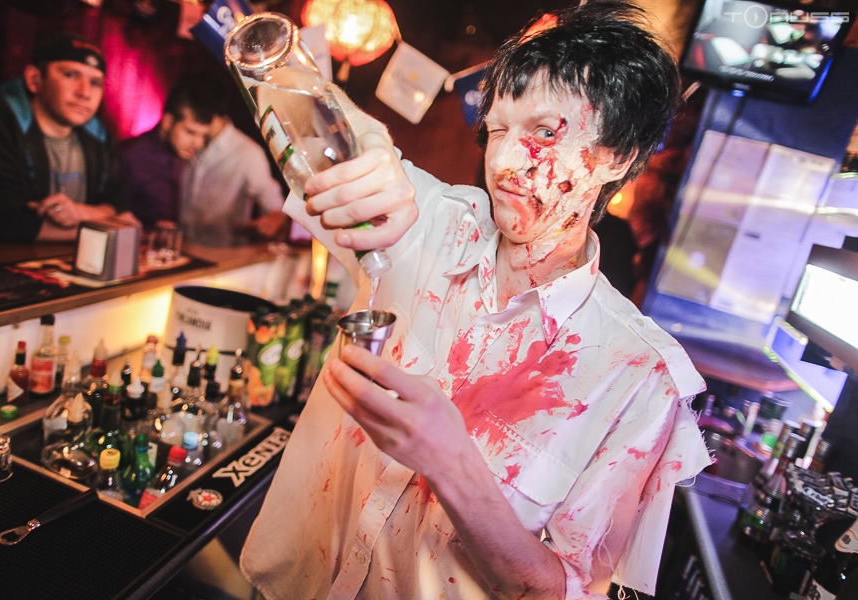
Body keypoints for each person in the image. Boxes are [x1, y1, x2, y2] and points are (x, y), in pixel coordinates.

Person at [240, 3, 711, 599]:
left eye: (544, 132)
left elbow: (567, 589)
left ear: (616, 154)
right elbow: (308, 117)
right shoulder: (428, 223)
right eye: (497, 130)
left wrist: (451, 464)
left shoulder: (639, 377)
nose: (505, 163)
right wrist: (364, 138)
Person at [0, 34, 137, 243]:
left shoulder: (98, 133)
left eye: (95, 82)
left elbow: (119, 204)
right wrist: (110, 226)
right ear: (34, 79)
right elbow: (1, 220)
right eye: (70, 75)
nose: (85, 93)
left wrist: (80, 212)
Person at [118, 76, 223, 228]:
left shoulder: (179, 155)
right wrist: (148, 229)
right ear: (167, 122)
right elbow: (112, 216)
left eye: (203, 136)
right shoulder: (130, 156)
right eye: (190, 132)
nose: (198, 143)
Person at [179, 113, 287, 244]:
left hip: (223, 248)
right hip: (182, 243)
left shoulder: (247, 151)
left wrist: (275, 218)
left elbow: (272, 202)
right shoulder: (191, 141)